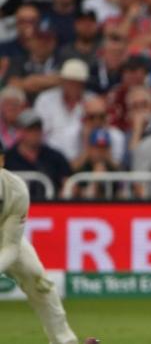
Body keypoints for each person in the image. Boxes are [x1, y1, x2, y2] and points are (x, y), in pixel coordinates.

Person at [0, 140, 80, 343]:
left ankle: (64, 340)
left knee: (39, 281)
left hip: (4, 238)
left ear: (1, 160)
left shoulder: (16, 190)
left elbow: (11, 246)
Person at [5, 110, 72, 200]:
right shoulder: (8, 158)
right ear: (19, 131)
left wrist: (62, 197)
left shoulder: (55, 157)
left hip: (49, 209)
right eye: (30, 129)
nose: (35, 133)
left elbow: (68, 184)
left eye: (38, 129)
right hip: (16, 209)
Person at [34, 58, 92, 150]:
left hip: (82, 152)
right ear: (63, 81)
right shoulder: (45, 99)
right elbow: (39, 131)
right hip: (50, 153)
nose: (74, 85)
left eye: (77, 82)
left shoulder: (92, 100)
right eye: (70, 81)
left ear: (83, 83)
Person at [71, 128, 121, 199]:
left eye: (104, 147)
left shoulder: (113, 169)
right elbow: (80, 199)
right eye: (97, 147)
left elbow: (121, 196)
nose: (100, 152)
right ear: (90, 148)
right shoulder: (82, 168)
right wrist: (95, 181)